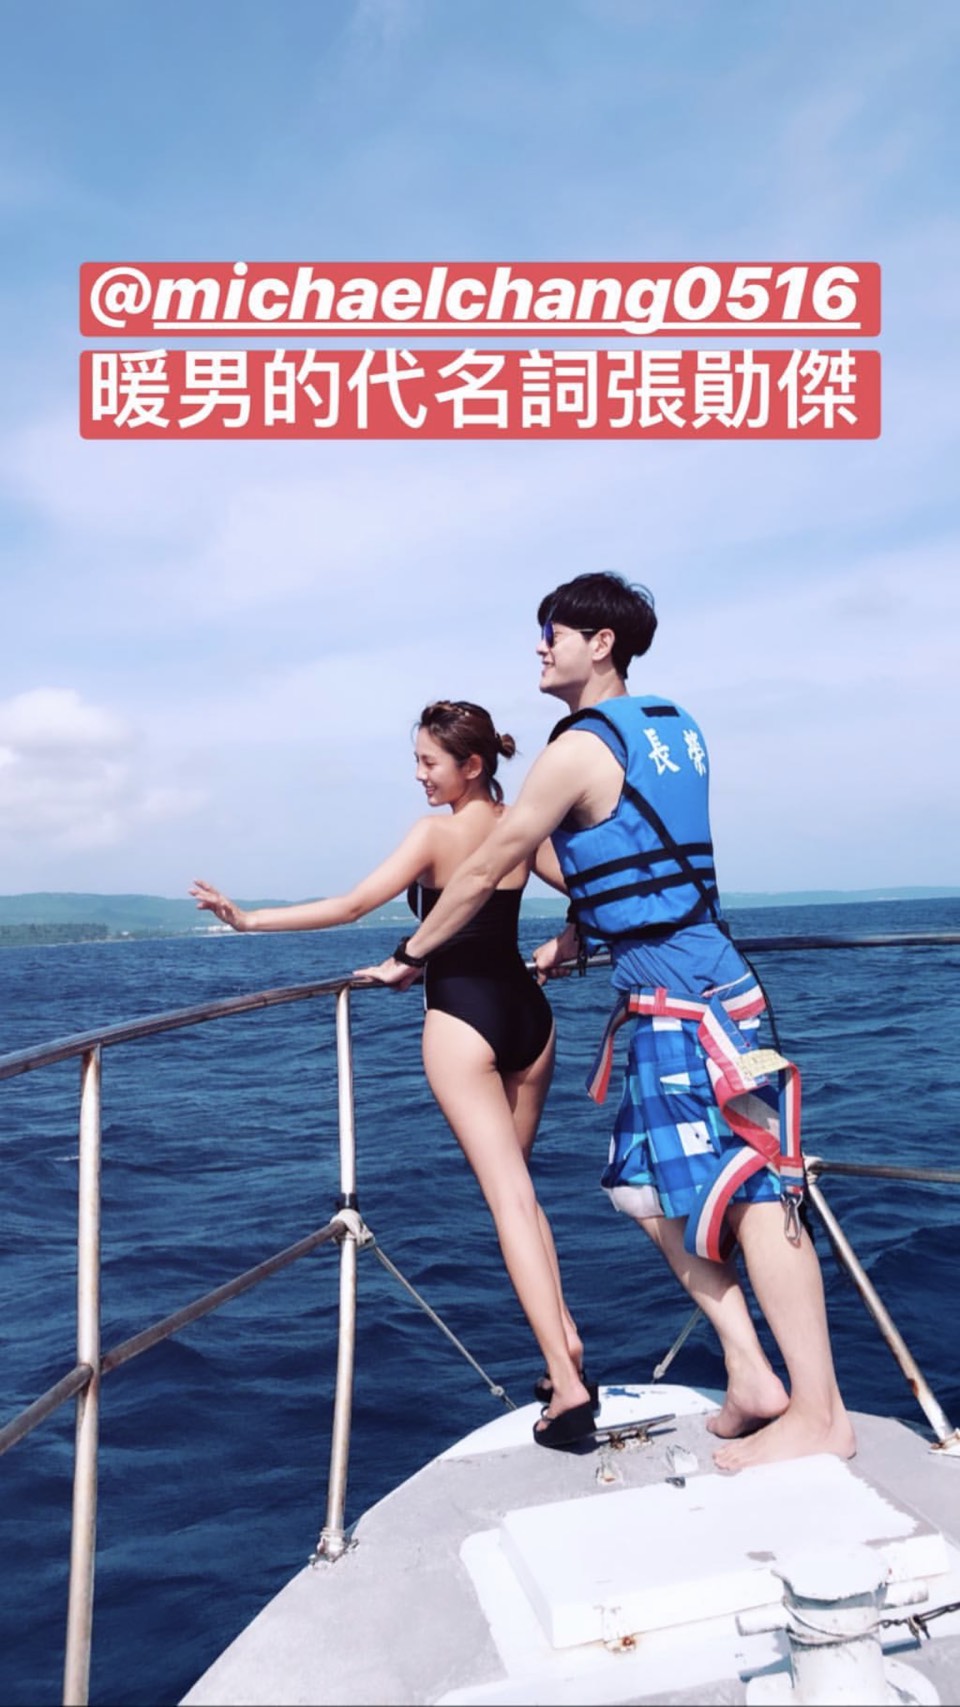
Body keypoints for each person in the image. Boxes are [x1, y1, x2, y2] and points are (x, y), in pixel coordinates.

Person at [360, 578, 855, 1469]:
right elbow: (639, 847)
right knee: (642, 1189)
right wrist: (580, 933)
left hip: (688, 1001)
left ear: (599, 643)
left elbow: (487, 869)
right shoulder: (675, 727)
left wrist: (411, 953)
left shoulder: (577, 748)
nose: (540, 648)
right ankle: (752, 1375)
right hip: (693, 988)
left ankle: (820, 1412)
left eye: (551, 633)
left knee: (754, 1195)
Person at [190, 699, 595, 1447]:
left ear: (470, 764)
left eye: (428, 762)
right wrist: (569, 939)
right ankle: (565, 1342)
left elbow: (352, 905)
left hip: (463, 1021)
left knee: (507, 1201)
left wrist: (247, 920)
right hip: (531, 1022)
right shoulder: (521, 826)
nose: (419, 775)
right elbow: (593, 887)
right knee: (522, 1195)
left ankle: (568, 1389)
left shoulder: (435, 834)